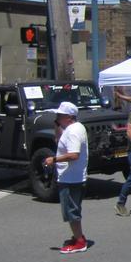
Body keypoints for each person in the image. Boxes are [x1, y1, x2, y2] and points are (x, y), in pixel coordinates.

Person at [43, 102, 89, 253]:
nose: (57, 117)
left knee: (71, 211)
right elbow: (59, 141)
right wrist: (57, 124)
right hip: (69, 177)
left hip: (71, 178)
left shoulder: (74, 131)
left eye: (60, 115)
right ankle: (78, 236)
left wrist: (53, 160)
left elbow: (74, 155)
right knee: (70, 209)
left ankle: (80, 242)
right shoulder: (71, 129)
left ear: (69, 117)